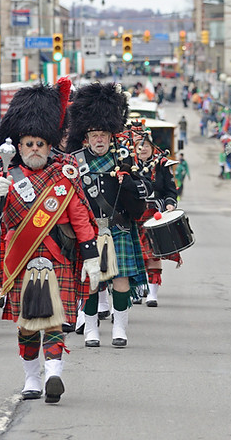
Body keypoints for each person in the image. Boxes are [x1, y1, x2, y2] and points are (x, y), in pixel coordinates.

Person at [0, 80, 101, 404]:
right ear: (19, 146)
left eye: (40, 143)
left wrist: (92, 256)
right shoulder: (9, 177)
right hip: (21, 260)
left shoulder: (65, 174)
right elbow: (2, 220)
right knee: (26, 327)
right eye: (29, 143)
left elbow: (80, 217)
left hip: (58, 259)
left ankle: (54, 372)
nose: (35, 148)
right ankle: (31, 378)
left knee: (55, 322)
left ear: (50, 143)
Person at [65, 82, 153, 348]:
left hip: (119, 227)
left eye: (103, 134)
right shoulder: (75, 161)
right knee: (91, 279)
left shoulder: (124, 160)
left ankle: (120, 329)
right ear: (86, 137)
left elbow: (144, 191)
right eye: (94, 135)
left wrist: (128, 182)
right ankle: (91, 328)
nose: (99, 139)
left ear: (111, 135)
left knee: (121, 278)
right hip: (88, 229)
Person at [132, 125, 180, 307]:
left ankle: (152, 294)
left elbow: (170, 191)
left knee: (153, 255)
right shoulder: (127, 164)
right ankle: (136, 290)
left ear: (152, 148)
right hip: (133, 214)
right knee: (136, 254)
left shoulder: (162, 165)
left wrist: (170, 203)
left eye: (146, 146)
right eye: (139, 146)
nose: (142, 149)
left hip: (155, 215)